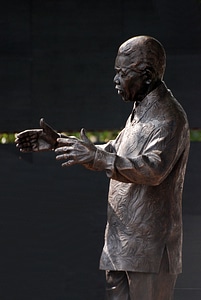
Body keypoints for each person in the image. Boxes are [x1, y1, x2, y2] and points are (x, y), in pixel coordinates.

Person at [16, 35, 190, 300]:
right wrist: (59, 142)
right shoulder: (140, 110)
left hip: (150, 250)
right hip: (121, 244)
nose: (116, 80)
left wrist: (97, 158)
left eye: (122, 73)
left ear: (146, 74)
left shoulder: (168, 117)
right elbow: (115, 151)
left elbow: (152, 170)